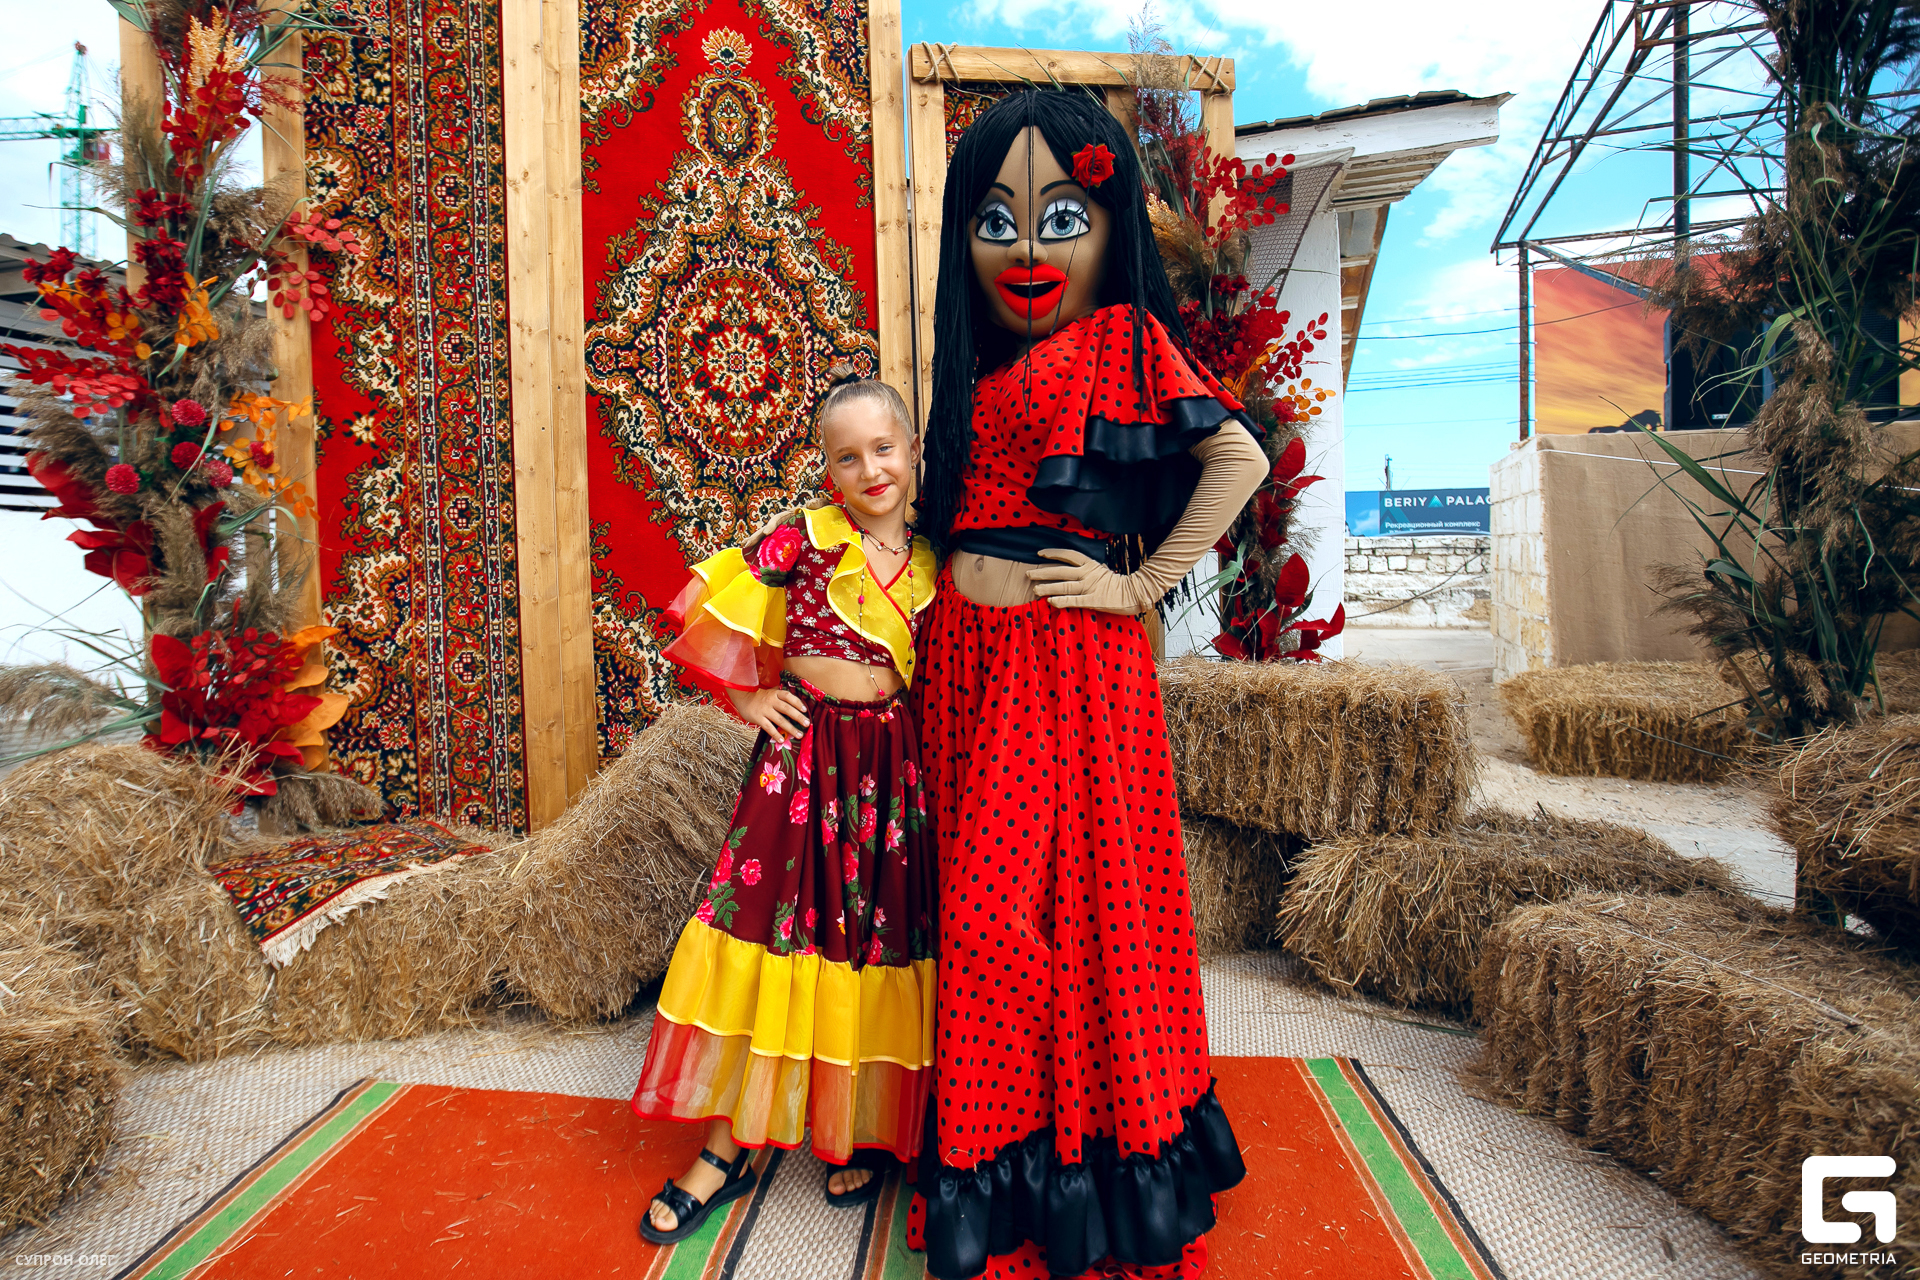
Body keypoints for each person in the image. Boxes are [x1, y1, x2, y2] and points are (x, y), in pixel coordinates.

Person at [909, 90, 1262, 1280]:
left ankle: (1067, 1172)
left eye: (1062, 216)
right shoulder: (977, 372)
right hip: (967, 662)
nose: (1026, 247)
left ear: (1111, 229)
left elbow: (1238, 456)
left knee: (1024, 917)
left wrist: (1142, 583)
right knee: (1003, 915)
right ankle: (1019, 1163)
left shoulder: (1119, 341)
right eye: (995, 221)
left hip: (1061, 664)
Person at [631, 373, 938, 1243]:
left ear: (913, 451)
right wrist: (747, 698)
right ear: (827, 469)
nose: (870, 470)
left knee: (872, 939)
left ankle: (859, 1126)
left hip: (891, 778)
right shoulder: (803, 538)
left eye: (884, 449)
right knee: (766, 934)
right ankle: (724, 1150)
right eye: (848, 457)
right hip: (804, 766)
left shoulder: (936, 558)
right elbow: (705, 611)